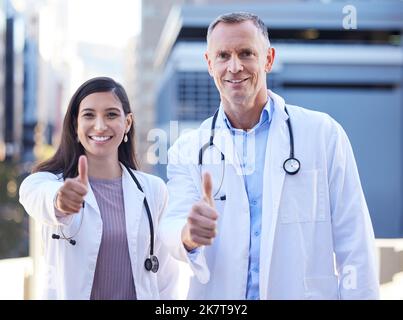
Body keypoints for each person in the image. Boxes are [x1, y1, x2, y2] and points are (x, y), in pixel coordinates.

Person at [159, 12, 379, 299]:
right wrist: (189, 233)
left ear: (268, 59)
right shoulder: (188, 150)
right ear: (209, 64)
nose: (234, 67)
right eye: (223, 56)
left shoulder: (323, 134)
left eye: (246, 53)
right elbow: (172, 224)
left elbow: (355, 241)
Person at [19, 77, 179, 300]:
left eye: (111, 114)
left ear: (128, 123)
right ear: (76, 125)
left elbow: (165, 278)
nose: (100, 125)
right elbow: (32, 193)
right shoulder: (50, 184)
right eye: (89, 115)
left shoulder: (154, 190)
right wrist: (59, 201)